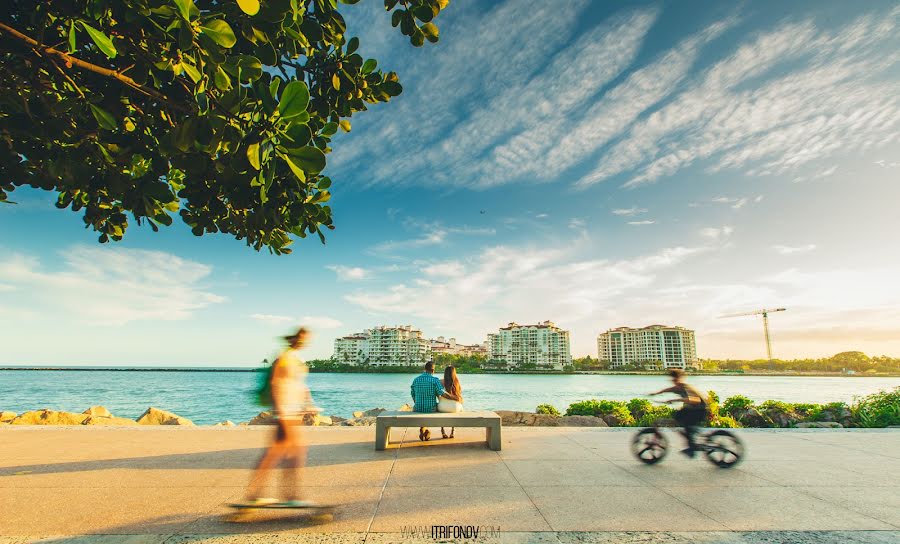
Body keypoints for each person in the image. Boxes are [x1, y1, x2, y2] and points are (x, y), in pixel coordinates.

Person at [244, 327, 316, 506]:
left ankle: (258, 494)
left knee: (278, 453)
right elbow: (276, 383)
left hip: (293, 412)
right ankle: (290, 495)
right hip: (286, 413)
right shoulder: (284, 358)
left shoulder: (295, 358)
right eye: (300, 338)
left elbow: (298, 384)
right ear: (293, 339)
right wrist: (280, 412)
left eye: (305, 339)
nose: (302, 342)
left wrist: (309, 404)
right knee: (292, 453)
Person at [649, 368, 709, 457]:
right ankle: (691, 440)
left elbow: (695, 400)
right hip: (691, 409)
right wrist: (655, 393)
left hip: (699, 410)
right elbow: (668, 389)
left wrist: (676, 399)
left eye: (676, 379)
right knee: (677, 417)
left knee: (686, 424)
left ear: (680, 378)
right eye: (673, 380)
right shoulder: (678, 387)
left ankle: (692, 448)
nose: (674, 381)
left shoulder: (685, 387)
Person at [410, 361, 459, 441]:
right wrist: (455, 398)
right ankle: (426, 429)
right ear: (433, 370)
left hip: (417, 408)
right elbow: (442, 393)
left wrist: (417, 403)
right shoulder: (435, 380)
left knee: (422, 408)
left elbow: (412, 393)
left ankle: (424, 428)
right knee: (438, 406)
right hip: (431, 409)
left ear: (425, 369)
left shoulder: (416, 380)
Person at [438, 365, 464, 439]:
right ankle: (453, 431)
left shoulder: (440, 382)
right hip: (454, 408)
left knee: (440, 408)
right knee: (458, 407)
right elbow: (459, 396)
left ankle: (443, 431)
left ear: (445, 373)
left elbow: (438, 395)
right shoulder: (457, 382)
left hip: (442, 408)